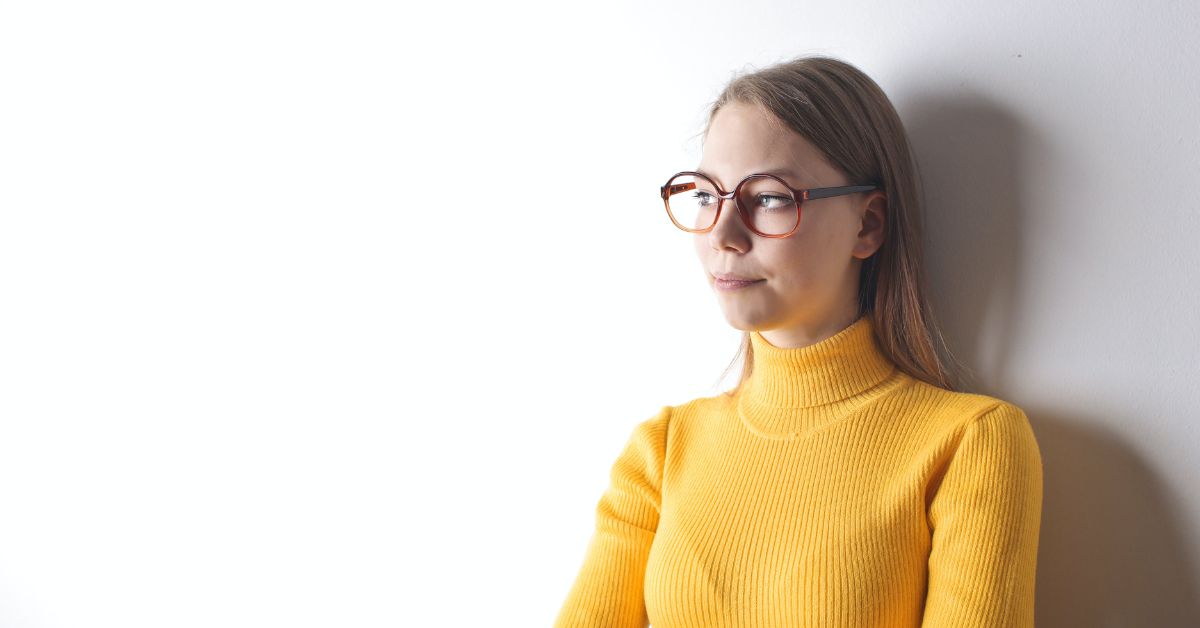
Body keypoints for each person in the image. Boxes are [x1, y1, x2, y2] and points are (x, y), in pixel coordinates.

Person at [552, 55, 1044, 628]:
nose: (724, 236)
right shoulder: (661, 452)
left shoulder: (970, 444)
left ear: (868, 225)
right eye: (707, 195)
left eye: (768, 197)